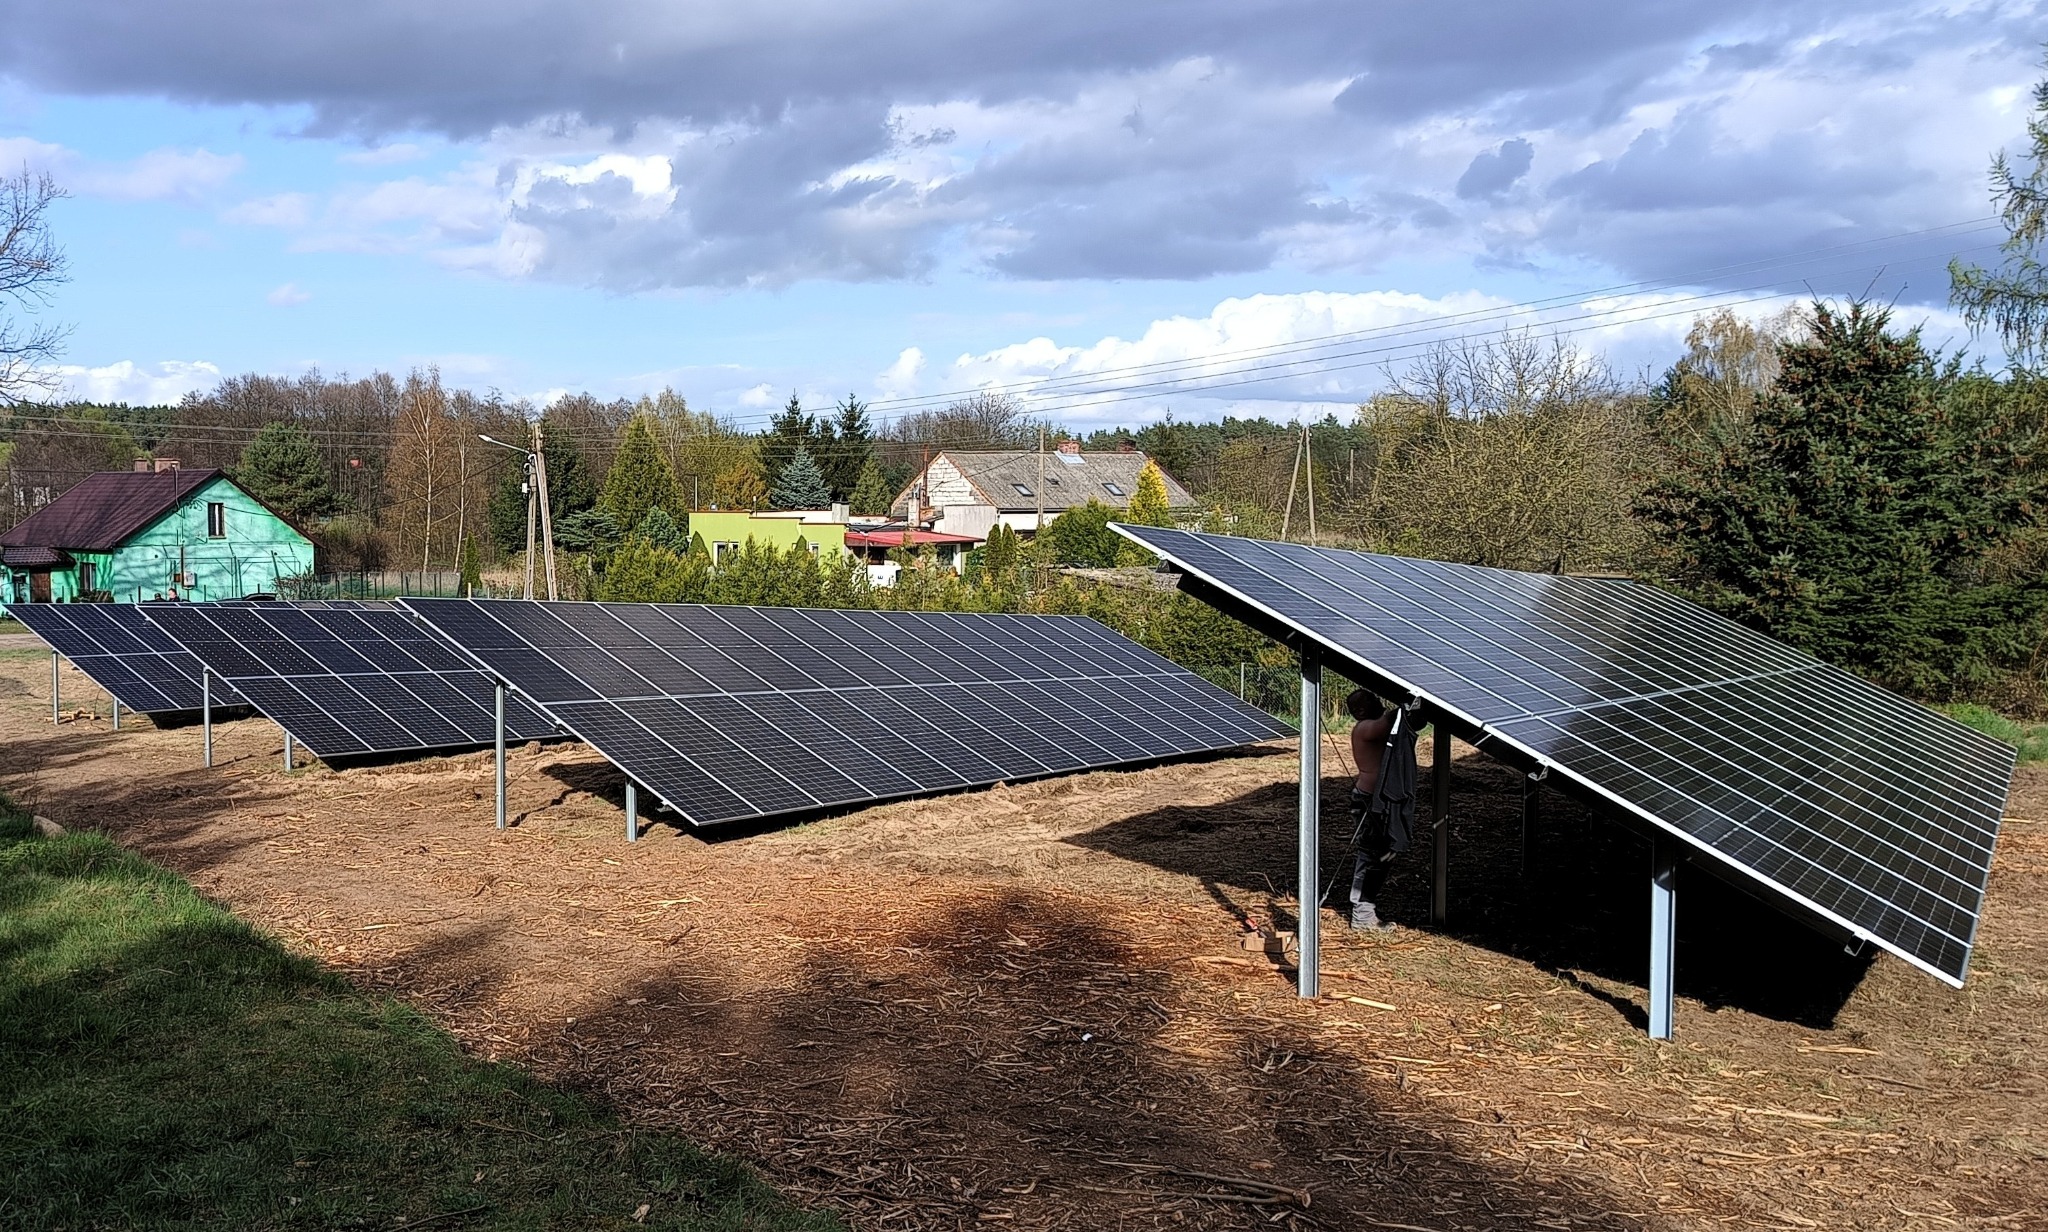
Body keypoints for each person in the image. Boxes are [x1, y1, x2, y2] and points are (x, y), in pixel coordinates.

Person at [1346, 688, 1420, 932]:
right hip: (1368, 802)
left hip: (1380, 800)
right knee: (1370, 854)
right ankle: (1362, 915)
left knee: (1384, 852)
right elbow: (1387, 721)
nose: (1378, 701)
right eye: (1373, 700)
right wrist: (1408, 700)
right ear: (1360, 710)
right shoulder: (1365, 728)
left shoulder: (1372, 724)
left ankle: (1367, 908)